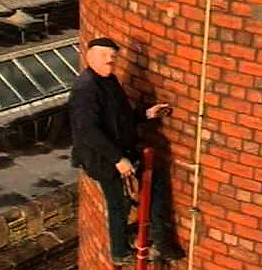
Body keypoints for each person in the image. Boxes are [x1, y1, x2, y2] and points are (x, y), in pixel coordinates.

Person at [69, 37, 184, 266]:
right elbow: (88, 132)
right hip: (102, 159)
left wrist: (146, 114)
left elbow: (120, 119)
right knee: (118, 202)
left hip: (121, 151)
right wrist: (117, 159)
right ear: (90, 56)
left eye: (112, 58)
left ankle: (161, 241)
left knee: (156, 180)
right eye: (104, 56)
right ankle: (120, 252)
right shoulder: (86, 89)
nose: (109, 61)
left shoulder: (109, 81)